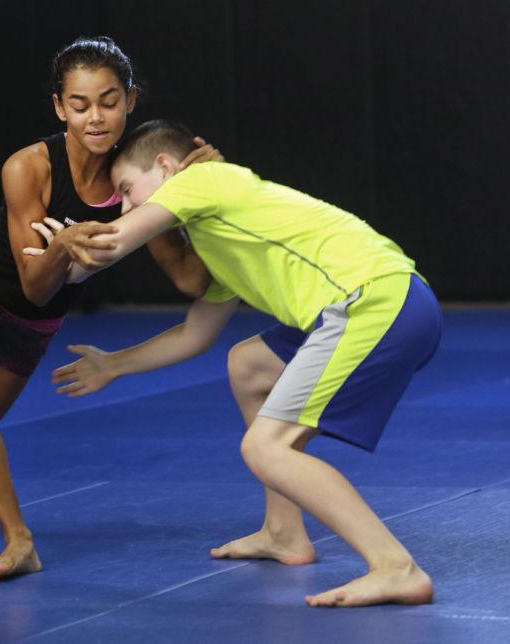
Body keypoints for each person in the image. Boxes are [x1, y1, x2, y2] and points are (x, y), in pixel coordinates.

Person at [44, 119, 442, 607]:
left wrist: (50, 251)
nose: (127, 206)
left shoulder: (201, 180)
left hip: (374, 302)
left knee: (265, 448)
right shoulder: (220, 232)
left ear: (166, 167)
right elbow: (196, 334)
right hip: (395, 302)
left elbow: (101, 249)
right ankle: (283, 533)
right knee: (249, 364)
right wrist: (113, 366)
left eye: (127, 190)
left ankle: (395, 567)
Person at [0, 41, 218, 583]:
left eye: (108, 102)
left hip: (33, 324)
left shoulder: (132, 174)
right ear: (60, 107)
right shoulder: (27, 167)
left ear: (130, 101)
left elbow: (188, 279)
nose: (95, 117)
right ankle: (19, 540)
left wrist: (205, 193)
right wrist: (62, 246)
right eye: (80, 105)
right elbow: (34, 284)